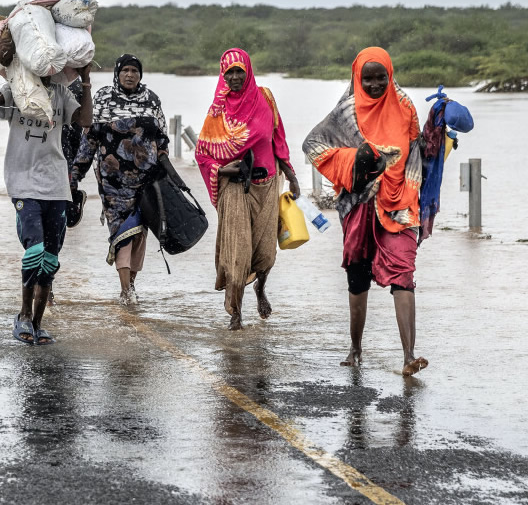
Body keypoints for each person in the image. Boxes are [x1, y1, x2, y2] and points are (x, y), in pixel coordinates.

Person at [303, 47, 428, 375]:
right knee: (357, 276)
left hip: (400, 202)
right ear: (357, 77)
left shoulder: (404, 107)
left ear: (390, 74)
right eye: (367, 78)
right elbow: (314, 144)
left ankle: (408, 356)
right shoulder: (346, 111)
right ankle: (356, 349)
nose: (374, 84)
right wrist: (354, 159)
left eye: (380, 77)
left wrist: (437, 139)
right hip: (358, 203)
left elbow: (417, 151)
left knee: (403, 273)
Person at [0, 32, 91, 344]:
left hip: (56, 184)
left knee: (50, 260)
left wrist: (85, 80)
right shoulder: (16, 88)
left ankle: (39, 323)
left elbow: (85, 120)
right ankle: (24, 316)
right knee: (34, 252)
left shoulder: (59, 92)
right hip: (24, 184)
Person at [195, 48, 301, 331]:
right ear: (222, 75)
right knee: (238, 251)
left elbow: (278, 138)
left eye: (239, 70)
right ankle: (236, 313)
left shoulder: (265, 98)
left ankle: (261, 288)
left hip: (266, 185)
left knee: (265, 253)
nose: (234, 77)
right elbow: (203, 154)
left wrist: (291, 175)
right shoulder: (218, 111)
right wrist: (223, 169)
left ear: (248, 71)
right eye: (228, 72)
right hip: (234, 187)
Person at [72, 54, 170, 306]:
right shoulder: (103, 98)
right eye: (125, 70)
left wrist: (167, 170)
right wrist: (75, 175)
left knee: (140, 234)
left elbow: (162, 139)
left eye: (134, 71)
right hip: (112, 184)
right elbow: (89, 139)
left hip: (146, 181)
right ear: (117, 73)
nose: (129, 75)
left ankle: (132, 283)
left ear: (140, 74)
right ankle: (126, 290)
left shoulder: (151, 100)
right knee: (122, 232)